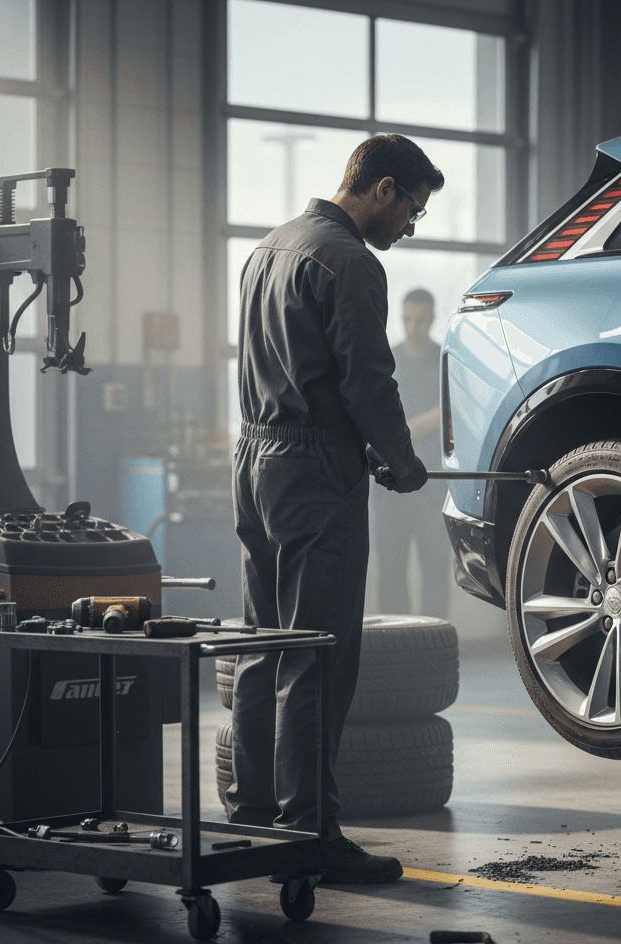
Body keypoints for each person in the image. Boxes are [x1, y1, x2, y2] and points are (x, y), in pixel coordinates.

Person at [228, 134, 444, 883]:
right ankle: (310, 834)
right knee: (317, 655)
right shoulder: (351, 261)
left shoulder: (268, 247)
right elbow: (366, 381)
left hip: (255, 459)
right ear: (382, 189)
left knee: (262, 644)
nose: (411, 225)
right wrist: (404, 461)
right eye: (412, 208)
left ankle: (252, 817)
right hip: (315, 466)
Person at [372, 289, 449, 619]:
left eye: (420, 320)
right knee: (390, 569)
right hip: (389, 485)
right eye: (407, 320)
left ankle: (432, 640)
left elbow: (453, 408)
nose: (413, 326)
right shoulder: (386, 360)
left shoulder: (444, 359)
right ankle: (395, 642)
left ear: (432, 319)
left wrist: (407, 429)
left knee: (435, 568)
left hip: (433, 482)